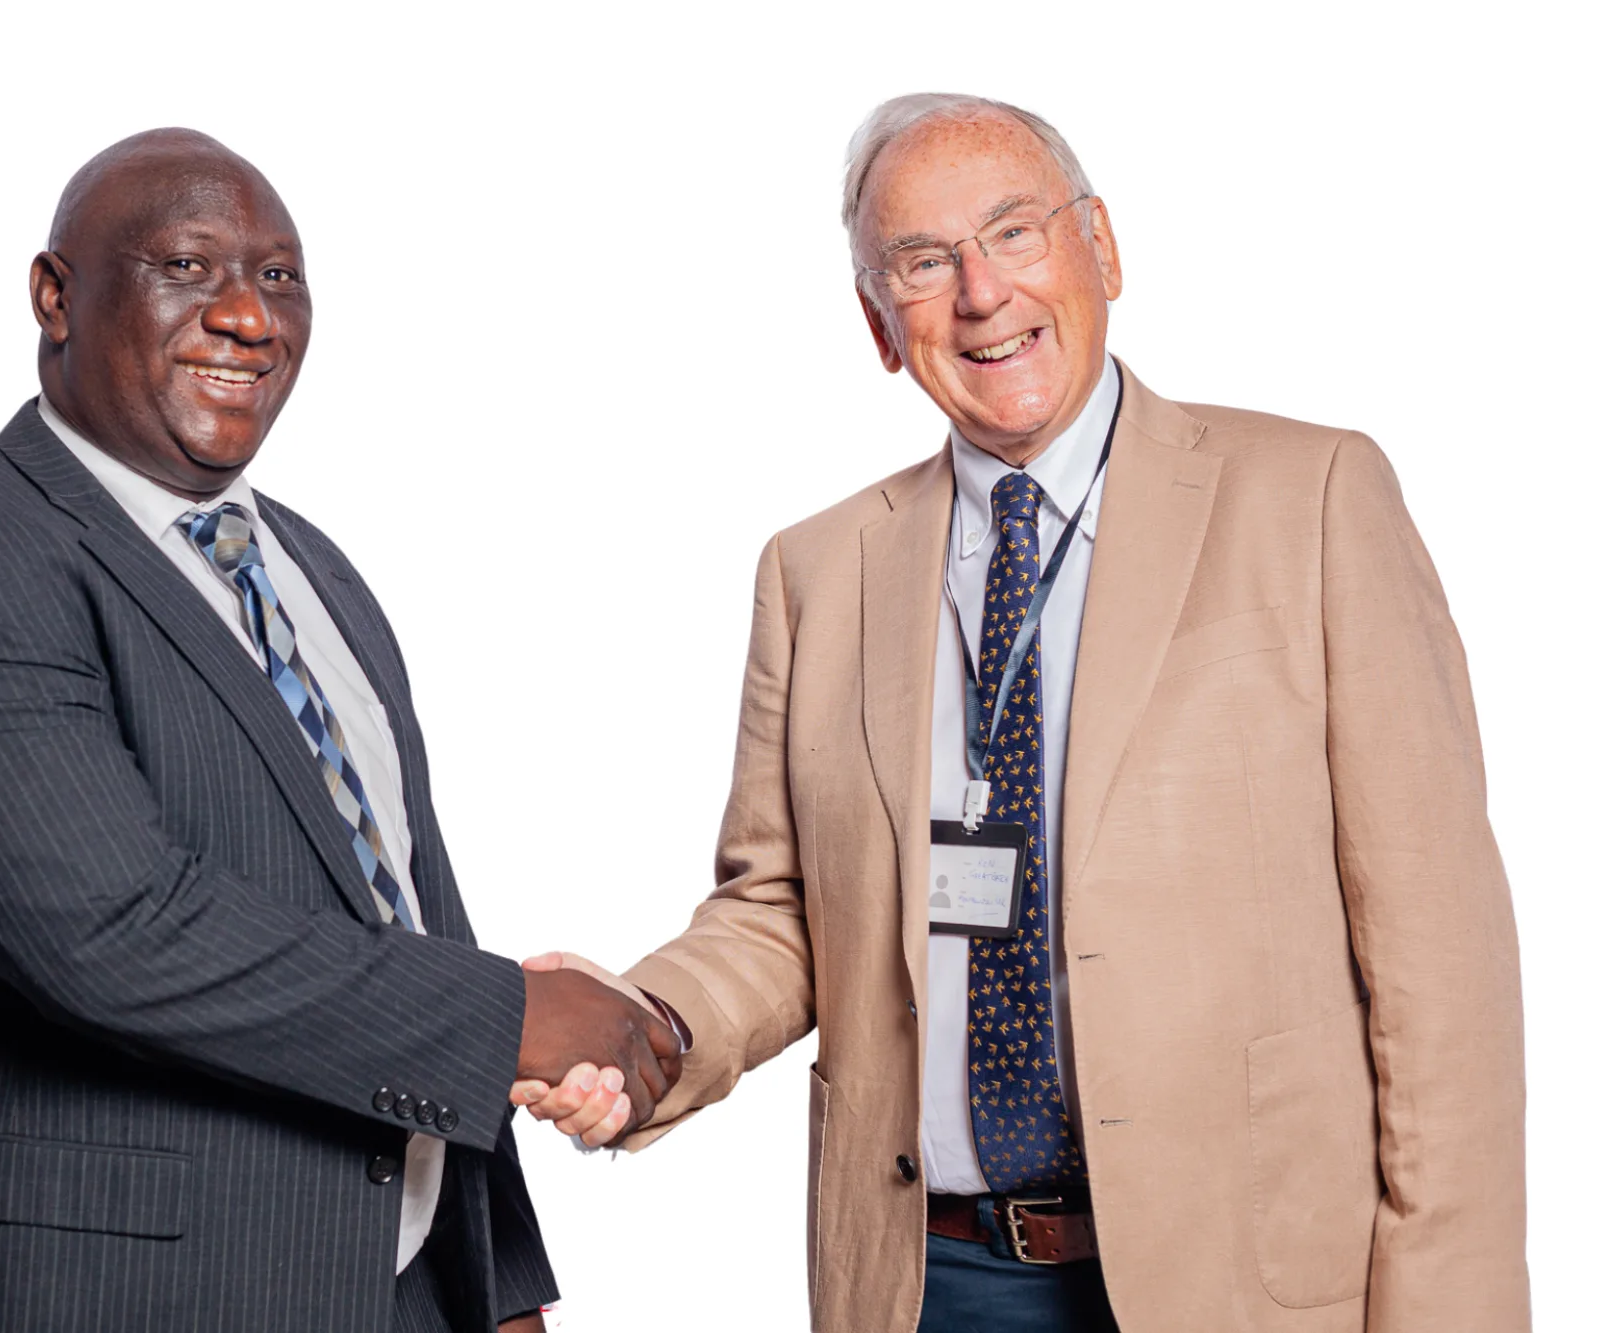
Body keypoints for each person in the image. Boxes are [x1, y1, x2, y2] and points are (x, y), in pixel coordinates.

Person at [514, 94, 1529, 1332]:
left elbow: (1441, 971)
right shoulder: (816, 572)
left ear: (1099, 247)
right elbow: (782, 913)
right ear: (879, 325)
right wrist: (647, 1022)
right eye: (922, 263)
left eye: (1011, 233)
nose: (980, 293)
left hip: (1246, 1283)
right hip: (927, 1280)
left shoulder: (1309, 501)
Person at [0, 128, 680, 1333]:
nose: (247, 317)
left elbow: (405, 913)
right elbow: (112, 932)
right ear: (53, 296)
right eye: (188, 266)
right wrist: (513, 1016)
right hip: (99, 1300)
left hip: (390, 1293)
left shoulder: (313, 570)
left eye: (280, 276)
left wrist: (495, 1288)